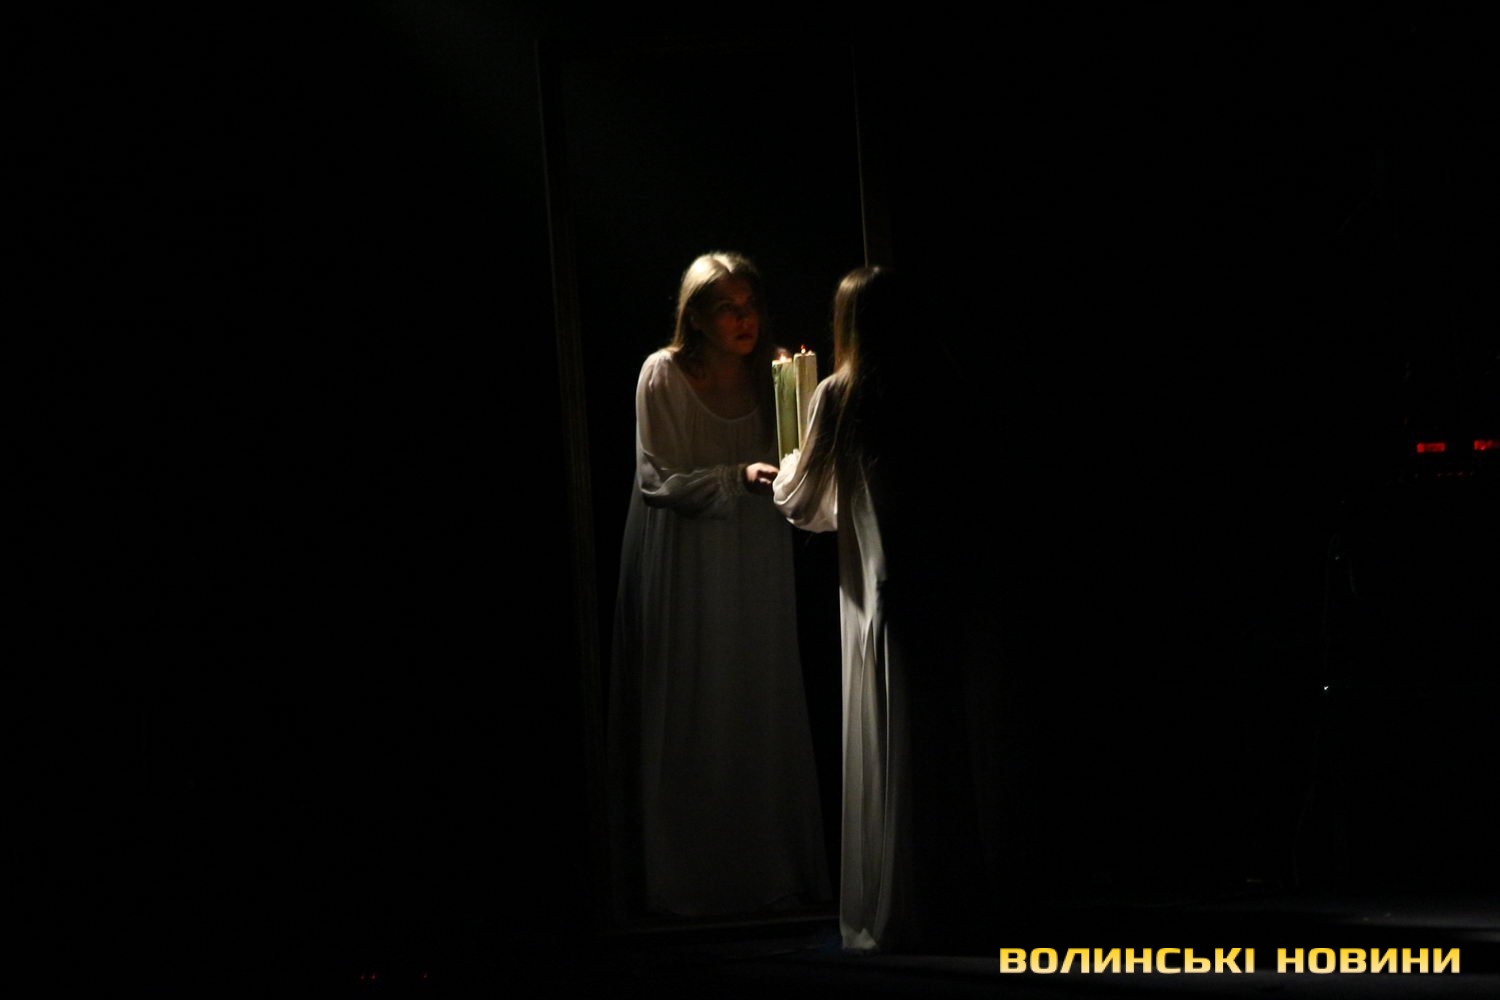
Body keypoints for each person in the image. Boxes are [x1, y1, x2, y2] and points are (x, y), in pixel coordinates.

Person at [608, 252, 830, 918]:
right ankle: (690, 879)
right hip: (688, 562)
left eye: (749, 305)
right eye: (727, 308)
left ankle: (767, 871)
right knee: (696, 700)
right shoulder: (664, 373)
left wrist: (803, 396)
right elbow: (658, 481)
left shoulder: (770, 375)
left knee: (755, 698)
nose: (743, 318)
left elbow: (798, 463)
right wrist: (737, 476)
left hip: (753, 555)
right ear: (697, 317)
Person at [775, 266, 984, 951]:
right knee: (936, 731)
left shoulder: (842, 392)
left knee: (891, 725)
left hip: (877, 583)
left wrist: (780, 466)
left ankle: (897, 904)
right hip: (936, 576)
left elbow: (805, 500)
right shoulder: (940, 383)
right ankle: (950, 895)